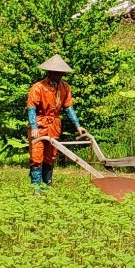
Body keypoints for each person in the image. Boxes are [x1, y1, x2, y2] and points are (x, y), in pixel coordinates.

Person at [26, 54, 84, 189]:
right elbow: (31, 108)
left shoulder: (65, 87)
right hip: (40, 124)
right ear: (49, 72)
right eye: (57, 72)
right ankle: (36, 189)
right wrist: (34, 126)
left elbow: (68, 107)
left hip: (54, 126)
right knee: (36, 157)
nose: (59, 75)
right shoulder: (38, 87)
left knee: (50, 157)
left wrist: (78, 125)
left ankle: (47, 186)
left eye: (61, 73)